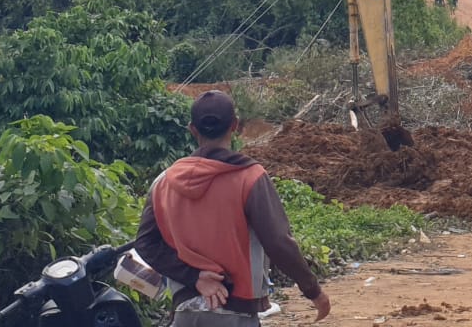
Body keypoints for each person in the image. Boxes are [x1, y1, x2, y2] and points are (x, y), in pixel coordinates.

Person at [135, 90, 330, 326]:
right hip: (237, 312)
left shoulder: (163, 183)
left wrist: (194, 277)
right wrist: (313, 291)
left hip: (186, 311)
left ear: (192, 129)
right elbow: (278, 242)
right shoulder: (250, 178)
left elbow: (146, 243)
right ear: (235, 126)